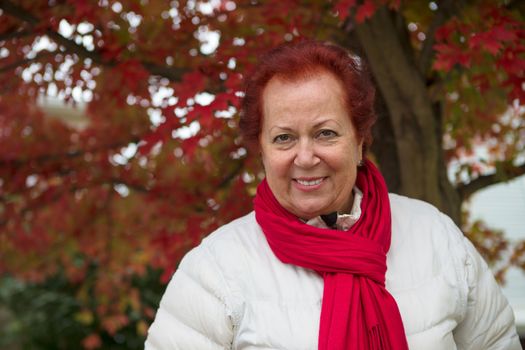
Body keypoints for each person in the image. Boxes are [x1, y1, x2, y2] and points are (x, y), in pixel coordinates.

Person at [145, 40, 521, 350]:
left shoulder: (437, 237)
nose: (306, 157)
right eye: (284, 138)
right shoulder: (214, 270)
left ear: (359, 141)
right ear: (261, 150)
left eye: (326, 133)